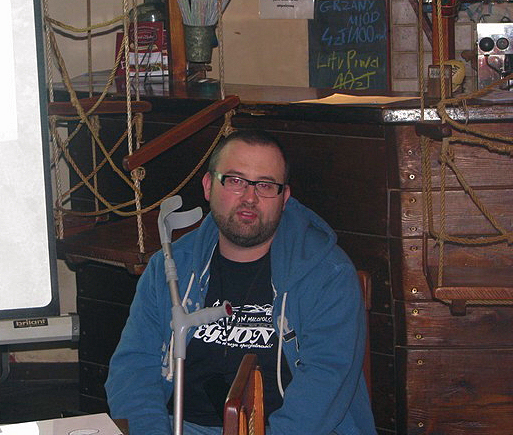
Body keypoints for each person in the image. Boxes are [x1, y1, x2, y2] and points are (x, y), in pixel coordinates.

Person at [105, 129, 376, 434]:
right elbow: (133, 368)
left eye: (265, 185)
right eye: (235, 181)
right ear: (208, 186)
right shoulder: (170, 267)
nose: (249, 198)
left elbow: (324, 384)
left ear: (284, 198)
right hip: (181, 426)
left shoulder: (327, 274)